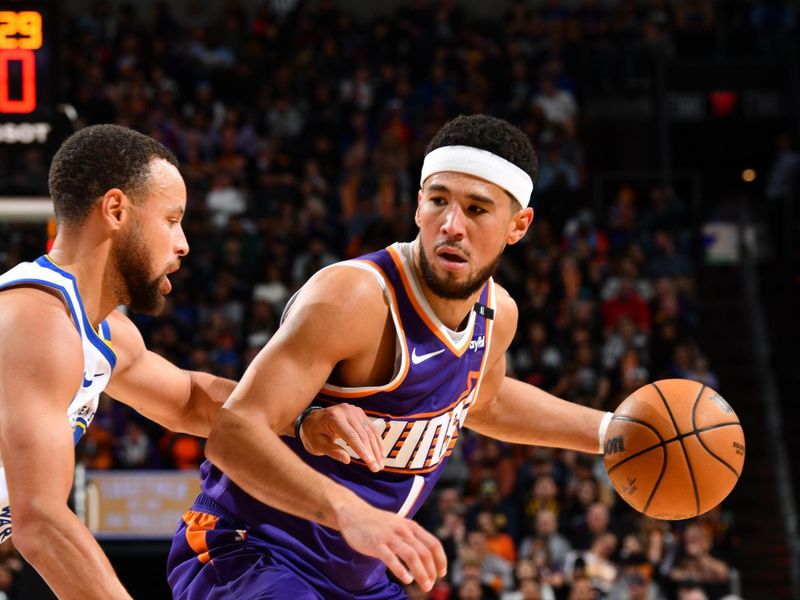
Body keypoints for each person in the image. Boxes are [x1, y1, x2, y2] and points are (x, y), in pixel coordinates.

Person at [167, 114, 615, 598]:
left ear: (518, 225)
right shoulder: (355, 297)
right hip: (251, 551)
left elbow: (487, 403)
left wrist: (611, 432)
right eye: (439, 201)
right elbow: (234, 434)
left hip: (358, 578)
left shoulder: (497, 313)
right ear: (418, 204)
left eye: (477, 210)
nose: (452, 225)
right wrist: (348, 511)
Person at [0, 124, 381, 600]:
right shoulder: (38, 323)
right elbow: (40, 521)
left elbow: (189, 401)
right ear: (116, 210)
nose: (183, 244)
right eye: (171, 220)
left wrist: (302, 421)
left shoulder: (100, 331)